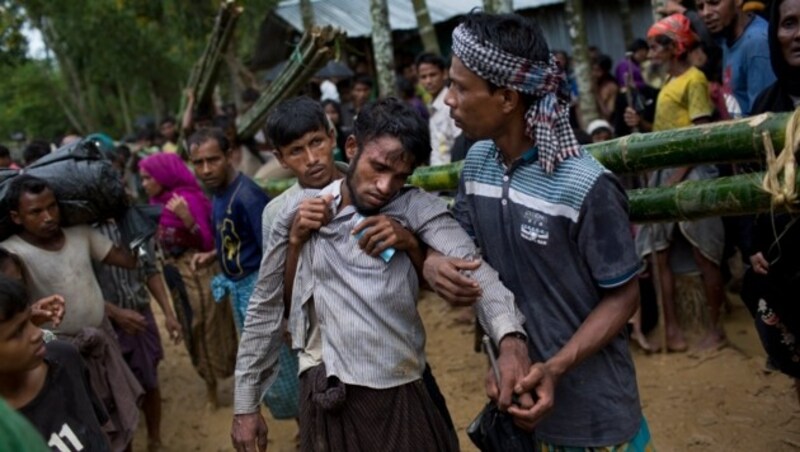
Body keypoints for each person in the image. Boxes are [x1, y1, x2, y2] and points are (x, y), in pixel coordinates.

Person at [232, 97, 527, 452]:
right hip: (327, 388)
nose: (385, 186)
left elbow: (476, 272)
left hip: (401, 387)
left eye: (399, 176)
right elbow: (264, 309)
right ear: (353, 147)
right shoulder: (295, 213)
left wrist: (510, 341)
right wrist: (246, 406)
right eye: (378, 168)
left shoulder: (414, 207)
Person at [425, 12, 653, 449]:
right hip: (516, 406)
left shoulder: (586, 186)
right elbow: (466, 252)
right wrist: (435, 261)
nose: (446, 100)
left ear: (507, 98)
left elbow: (624, 295)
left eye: (459, 86)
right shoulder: (475, 165)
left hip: (595, 413)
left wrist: (556, 366)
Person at [0, 175, 143, 451]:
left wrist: (126, 213)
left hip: (100, 341)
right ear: (16, 217)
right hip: (54, 345)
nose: (48, 217)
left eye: (52, 207)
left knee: (113, 415)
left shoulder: (80, 233)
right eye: (36, 211)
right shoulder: (11, 253)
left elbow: (128, 260)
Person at [630, 14, 729, 352]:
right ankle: (672, 328)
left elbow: (699, 135)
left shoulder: (694, 79)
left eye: (657, 44)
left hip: (692, 173)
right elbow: (665, 134)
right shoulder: (669, 85)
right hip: (667, 173)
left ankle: (715, 329)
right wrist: (640, 123)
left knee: (705, 253)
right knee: (659, 253)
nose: (651, 50)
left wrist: (675, 178)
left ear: (674, 48)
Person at [138, 152, 238, 409]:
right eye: (142, 179)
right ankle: (208, 381)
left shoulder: (189, 200)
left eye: (148, 178)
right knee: (189, 325)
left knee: (208, 324)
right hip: (175, 275)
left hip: (199, 272)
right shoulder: (155, 203)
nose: (144, 184)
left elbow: (208, 242)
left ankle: (222, 381)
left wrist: (188, 220)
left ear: (163, 175)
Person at [742, 0, 800, 404]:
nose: (798, 34)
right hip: (788, 261)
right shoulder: (765, 105)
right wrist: (752, 245)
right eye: (790, 23)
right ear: (774, 35)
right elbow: (746, 184)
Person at [0, 275, 111, 451]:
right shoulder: (7, 431)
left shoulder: (65, 358)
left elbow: (98, 431)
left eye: (30, 320)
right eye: (17, 332)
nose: (37, 333)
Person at [696, 0, 775, 117]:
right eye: (700, 7)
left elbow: (764, 118)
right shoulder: (729, 39)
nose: (706, 13)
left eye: (714, 3)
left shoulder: (757, 43)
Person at [416, 52, 462, 166]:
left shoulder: (450, 103)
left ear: (445, 74)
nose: (428, 81)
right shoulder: (432, 106)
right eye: (423, 77)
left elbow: (460, 140)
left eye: (433, 75)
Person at [592, 54, 620, 122]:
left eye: (598, 70)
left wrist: (597, 95)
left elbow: (608, 114)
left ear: (605, 71)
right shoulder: (591, 83)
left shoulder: (611, 87)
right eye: (592, 70)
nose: (594, 74)